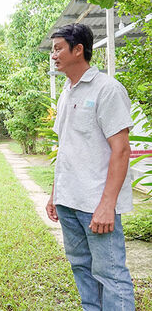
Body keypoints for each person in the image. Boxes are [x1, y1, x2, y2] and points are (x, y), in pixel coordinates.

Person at [46, 23, 135, 310]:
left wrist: (107, 205)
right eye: (53, 49)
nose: (53, 55)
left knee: (111, 276)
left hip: (96, 203)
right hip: (69, 201)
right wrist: (54, 193)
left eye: (58, 48)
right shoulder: (66, 92)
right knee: (82, 270)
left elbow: (121, 150)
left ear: (78, 50)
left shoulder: (107, 89)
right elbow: (67, 148)